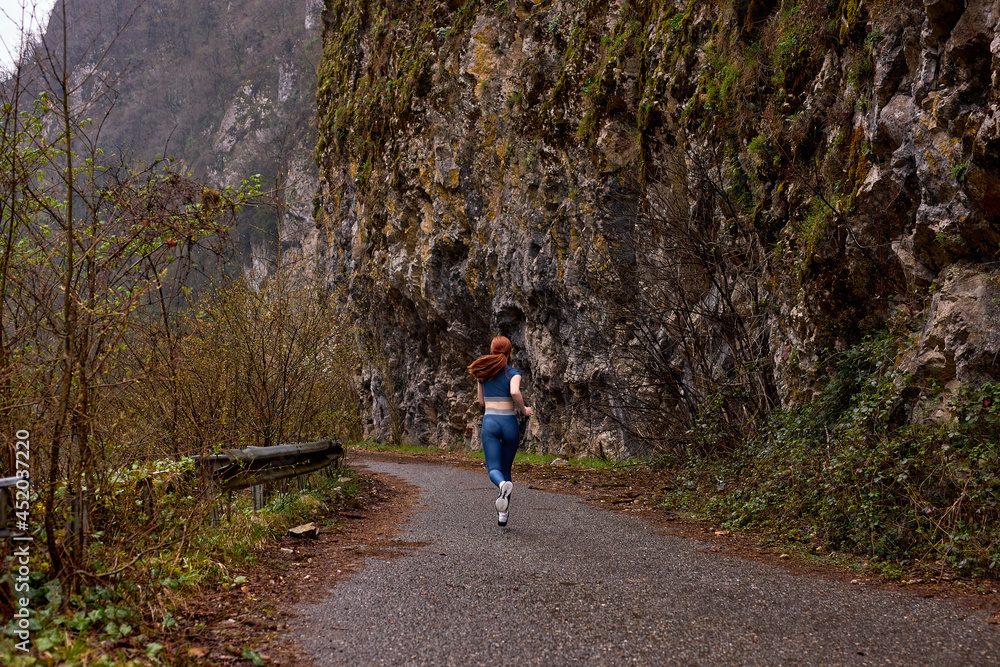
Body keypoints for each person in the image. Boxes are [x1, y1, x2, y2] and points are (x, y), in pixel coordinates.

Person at [468, 335, 532, 527]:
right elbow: (514, 392)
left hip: (491, 423)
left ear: (492, 350)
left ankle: (502, 488)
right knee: (506, 469)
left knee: (494, 470)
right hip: (509, 423)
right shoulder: (514, 373)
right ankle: (503, 514)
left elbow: (480, 402)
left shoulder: (482, 373)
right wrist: (524, 409)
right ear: (509, 352)